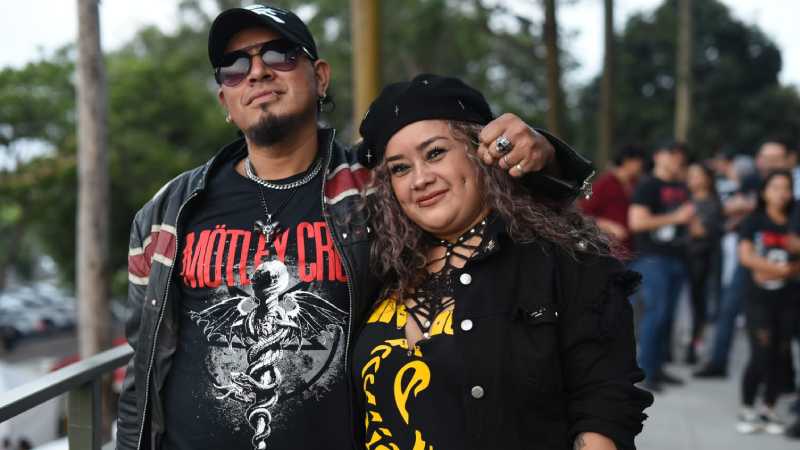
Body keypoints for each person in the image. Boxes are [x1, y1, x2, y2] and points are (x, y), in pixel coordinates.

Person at [116, 4, 596, 450]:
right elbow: (144, 371)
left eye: (280, 55)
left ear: (320, 77)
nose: (257, 72)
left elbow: (500, 214)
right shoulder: (166, 215)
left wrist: (544, 154)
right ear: (225, 98)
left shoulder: (376, 190)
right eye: (235, 66)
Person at [352, 74, 652, 450]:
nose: (420, 179)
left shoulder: (562, 259)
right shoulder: (378, 264)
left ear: (483, 151)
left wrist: (547, 152)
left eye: (435, 153)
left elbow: (605, 405)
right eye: (400, 168)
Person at [695, 141, 789, 378]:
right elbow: (730, 210)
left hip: (780, 260)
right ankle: (718, 362)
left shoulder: (789, 187)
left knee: (781, 322)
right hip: (750, 253)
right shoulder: (751, 181)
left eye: (774, 158)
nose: (768, 163)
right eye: (764, 157)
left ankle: (783, 377)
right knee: (728, 308)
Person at [734, 170, 799, 434]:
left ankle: (769, 407)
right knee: (761, 354)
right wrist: (776, 269)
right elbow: (746, 258)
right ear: (764, 191)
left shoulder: (795, 222)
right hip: (758, 299)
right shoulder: (754, 221)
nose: (781, 193)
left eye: (786, 188)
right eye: (775, 187)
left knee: (780, 354)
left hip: (789, 299)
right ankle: (748, 407)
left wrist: (783, 271)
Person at [628, 142, 694, 391]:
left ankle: (657, 368)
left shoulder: (680, 186)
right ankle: (644, 370)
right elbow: (636, 222)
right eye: (671, 153)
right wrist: (676, 218)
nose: (677, 159)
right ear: (658, 155)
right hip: (653, 258)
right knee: (655, 314)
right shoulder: (648, 185)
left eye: (680, 156)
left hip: (677, 257)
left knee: (667, 317)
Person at [684, 162, 724, 364]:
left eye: (696, 175)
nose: (691, 180)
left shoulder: (712, 203)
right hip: (682, 258)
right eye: (689, 175)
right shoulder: (684, 198)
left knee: (699, 305)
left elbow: (702, 231)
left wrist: (683, 218)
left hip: (703, 260)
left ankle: (695, 346)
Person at [580, 144, 645, 254]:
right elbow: (582, 213)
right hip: (610, 248)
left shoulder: (637, 184)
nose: (641, 166)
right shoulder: (604, 184)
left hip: (634, 248)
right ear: (627, 161)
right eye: (638, 161)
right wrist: (608, 225)